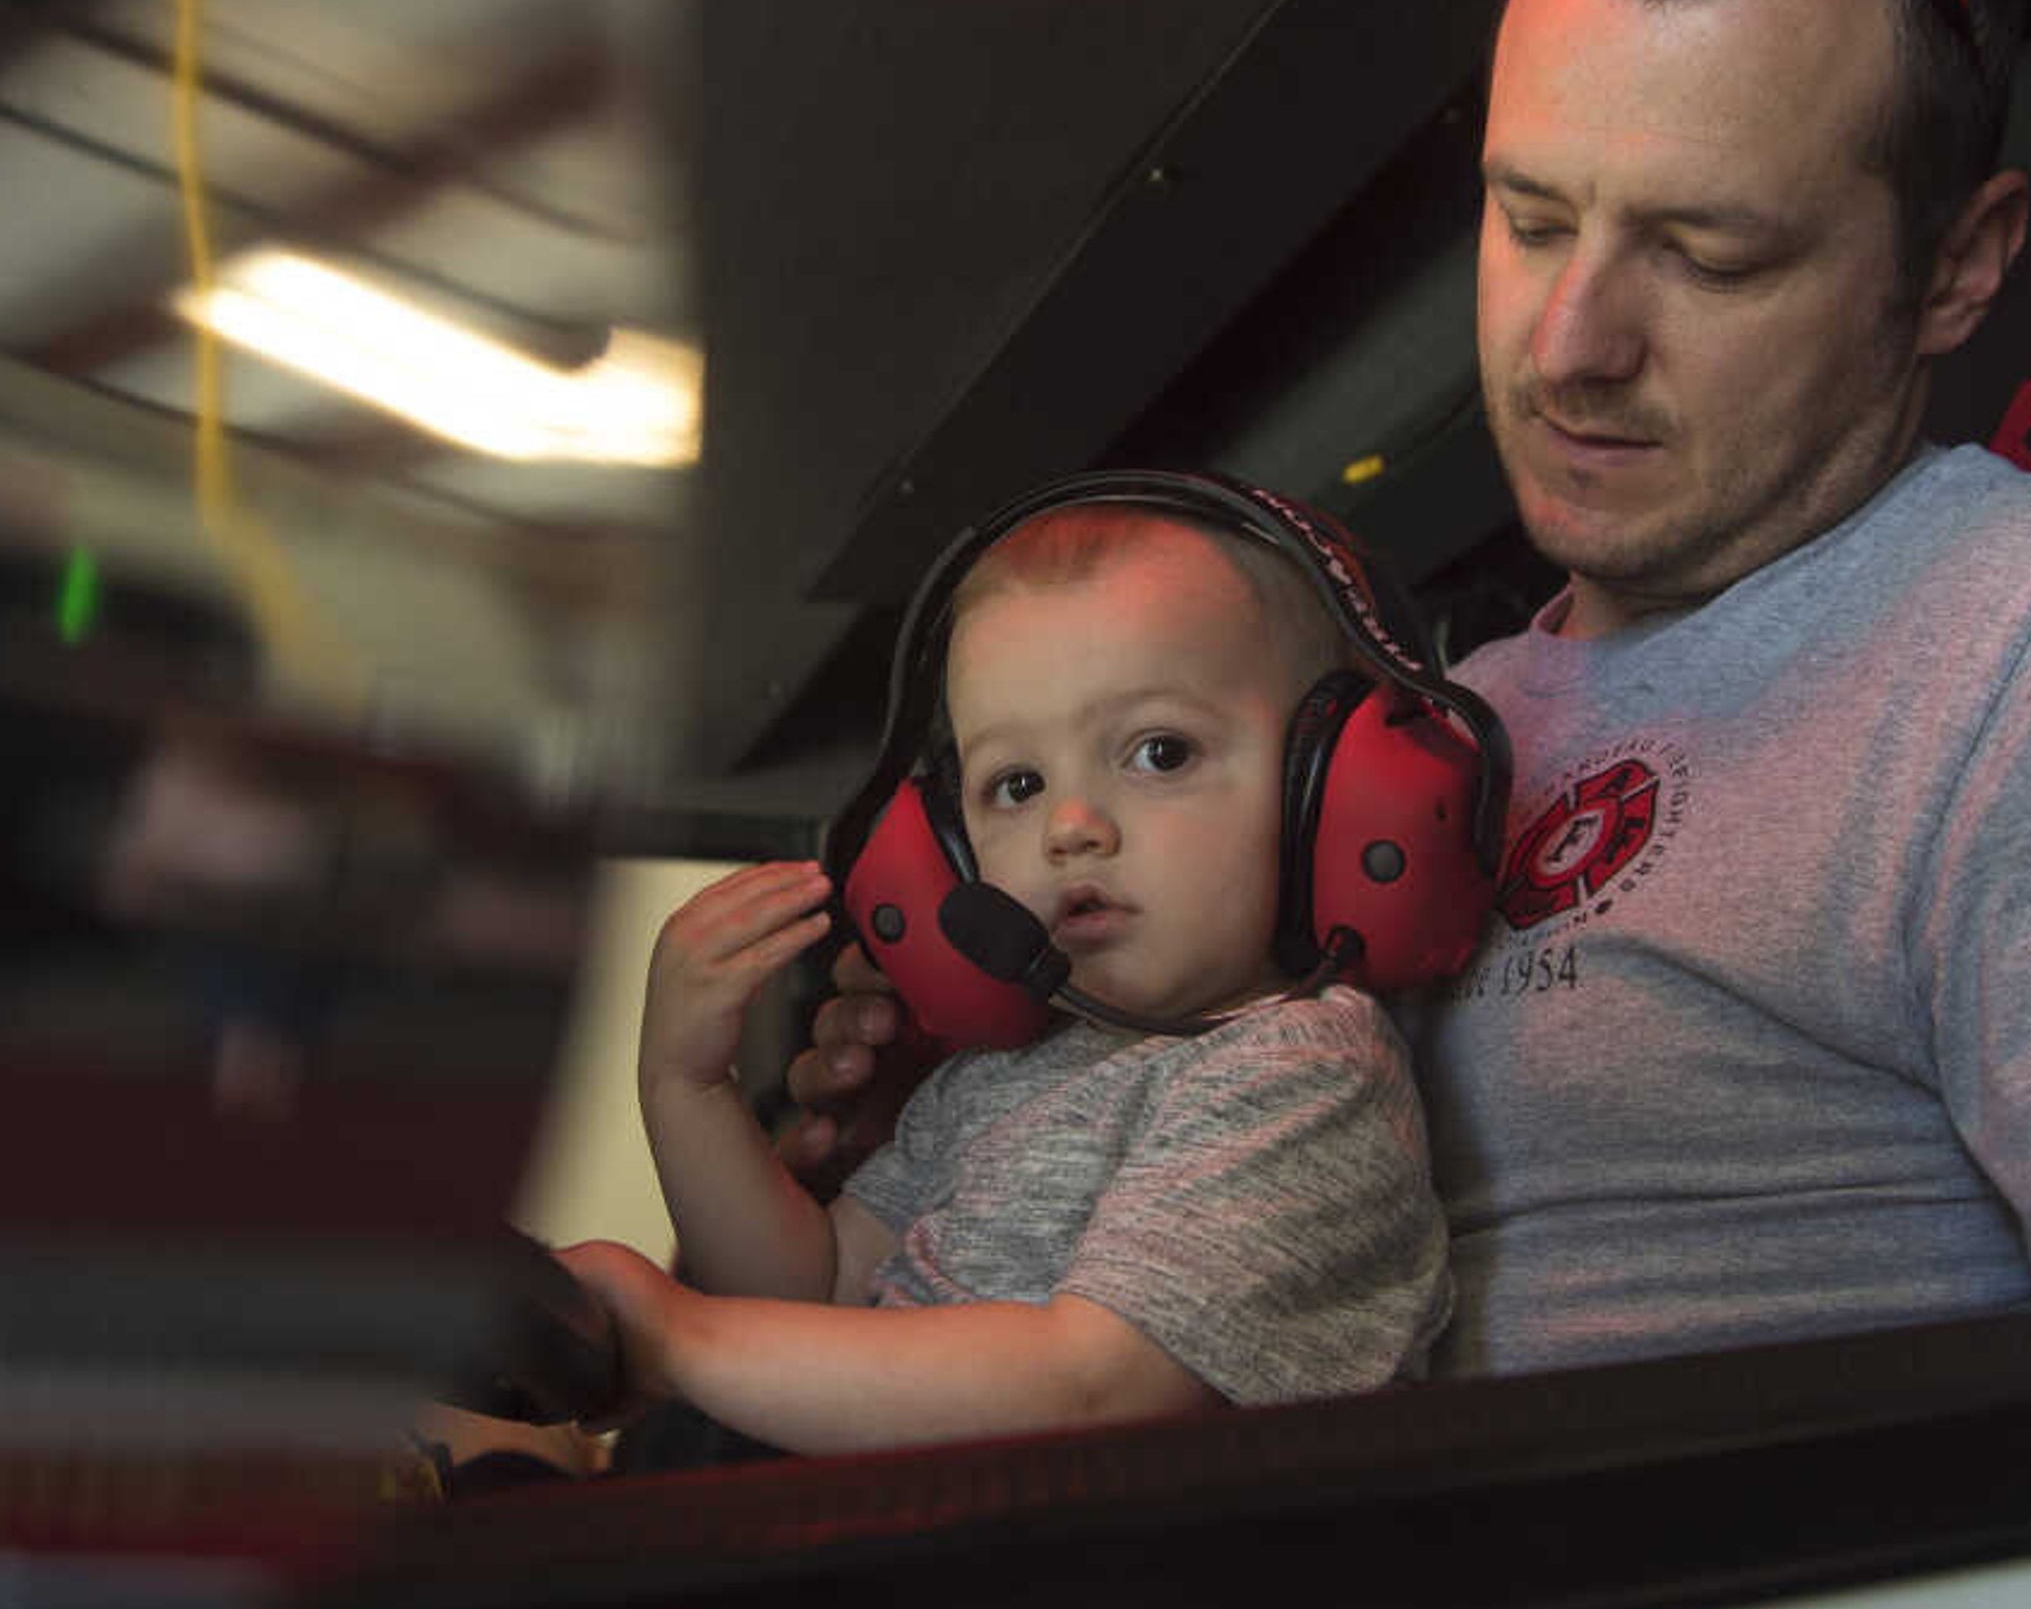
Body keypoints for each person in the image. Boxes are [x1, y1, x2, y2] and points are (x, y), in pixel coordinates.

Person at [788, 0, 2031, 1373]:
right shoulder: (1429, 712)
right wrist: (979, 1170)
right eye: (1533, 221)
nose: (1573, 346)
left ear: (1958, 269)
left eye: (1709, 252)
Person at [557, 499, 1454, 1453]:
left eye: (1160, 752)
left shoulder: (1304, 1070)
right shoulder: (994, 1080)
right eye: (1016, 785)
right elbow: (811, 1292)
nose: (1070, 826)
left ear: (1329, 785)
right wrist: (686, 1087)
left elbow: (1095, 1389)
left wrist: (684, 1341)